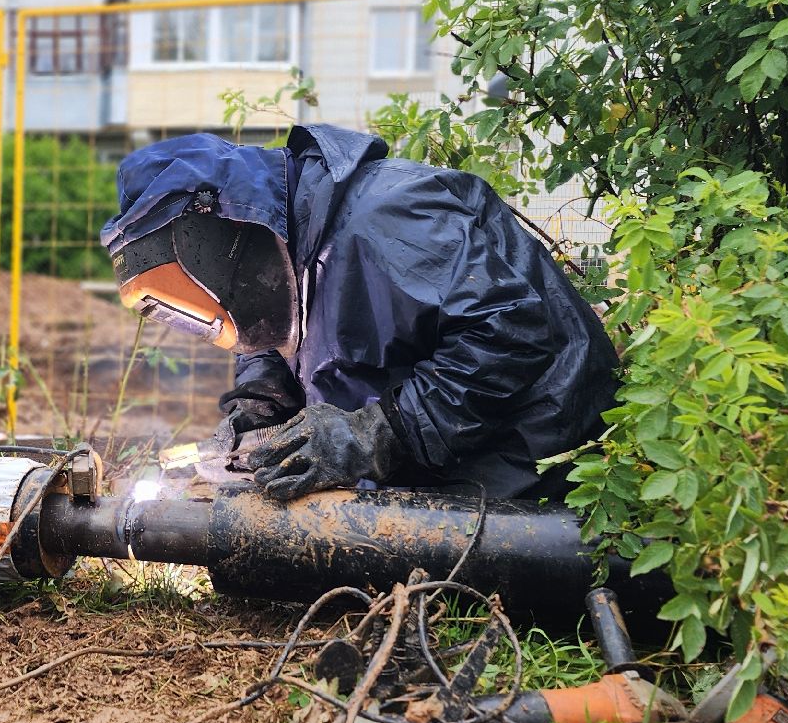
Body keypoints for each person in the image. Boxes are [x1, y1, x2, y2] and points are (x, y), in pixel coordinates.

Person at [101, 124, 617, 502]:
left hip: (534, 465)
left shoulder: (385, 218)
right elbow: (275, 334)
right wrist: (261, 407)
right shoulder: (292, 249)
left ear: (220, 234)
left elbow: (508, 329)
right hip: (439, 464)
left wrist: (379, 431)